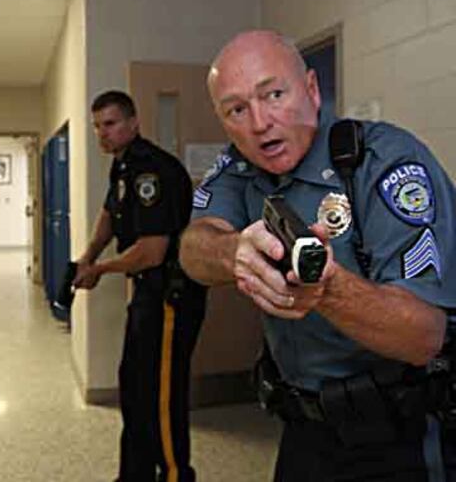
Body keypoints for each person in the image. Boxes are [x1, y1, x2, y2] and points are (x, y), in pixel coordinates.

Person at [179, 29, 456, 480]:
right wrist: (233, 252)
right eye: (236, 109)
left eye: (273, 94)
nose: (259, 122)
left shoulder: (383, 161)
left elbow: (423, 336)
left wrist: (327, 289)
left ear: (311, 89)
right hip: (304, 428)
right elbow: (192, 248)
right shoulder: (238, 167)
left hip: (400, 435)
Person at [74, 90, 207, 482]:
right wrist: (88, 255)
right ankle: (133, 474)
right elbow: (110, 215)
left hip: (171, 296)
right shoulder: (124, 168)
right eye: (97, 126)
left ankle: (174, 474)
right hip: (148, 294)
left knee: (161, 395)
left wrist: (100, 269)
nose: (103, 133)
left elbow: (151, 251)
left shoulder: (153, 171)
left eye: (111, 124)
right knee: (134, 386)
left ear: (133, 123)